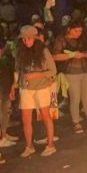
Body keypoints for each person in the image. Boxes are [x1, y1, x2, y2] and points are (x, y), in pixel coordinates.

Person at [10, 25, 57, 157]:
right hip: (25, 88)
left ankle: (51, 145)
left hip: (41, 87)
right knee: (26, 119)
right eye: (24, 39)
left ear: (35, 39)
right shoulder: (20, 51)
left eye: (29, 39)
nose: (26, 42)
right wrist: (14, 86)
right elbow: (17, 70)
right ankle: (29, 146)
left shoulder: (43, 51)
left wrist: (36, 75)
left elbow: (53, 71)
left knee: (45, 116)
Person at [52, 21, 87, 133]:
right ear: (69, 29)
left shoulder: (82, 39)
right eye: (76, 30)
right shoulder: (61, 39)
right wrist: (71, 55)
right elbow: (55, 56)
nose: (78, 33)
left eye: (80, 31)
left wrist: (85, 54)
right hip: (71, 72)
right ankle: (76, 121)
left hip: (85, 70)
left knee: (86, 97)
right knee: (75, 98)